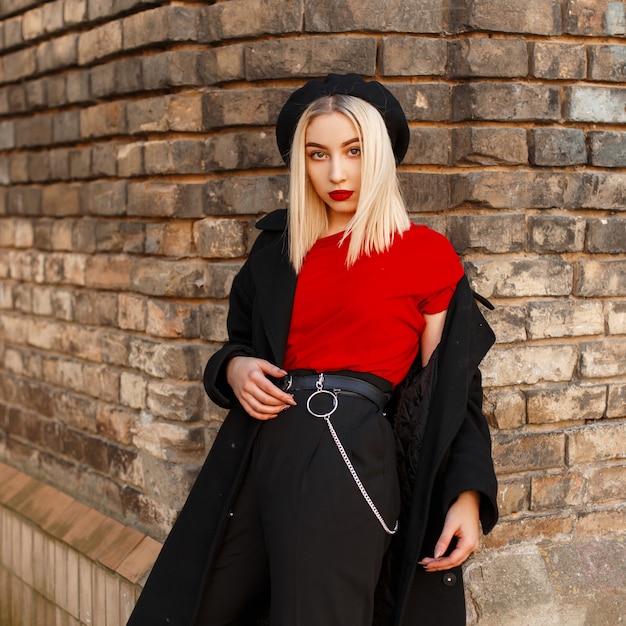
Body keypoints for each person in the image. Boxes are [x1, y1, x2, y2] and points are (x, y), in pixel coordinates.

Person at [127, 73, 498, 626]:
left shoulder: (424, 254)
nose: (337, 172)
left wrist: (467, 494)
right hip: (260, 450)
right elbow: (239, 344)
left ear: (379, 155)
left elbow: (450, 390)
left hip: (346, 451)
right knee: (203, 607)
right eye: (317, 154)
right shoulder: (277, 251)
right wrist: (234, 367)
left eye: (353, 151)